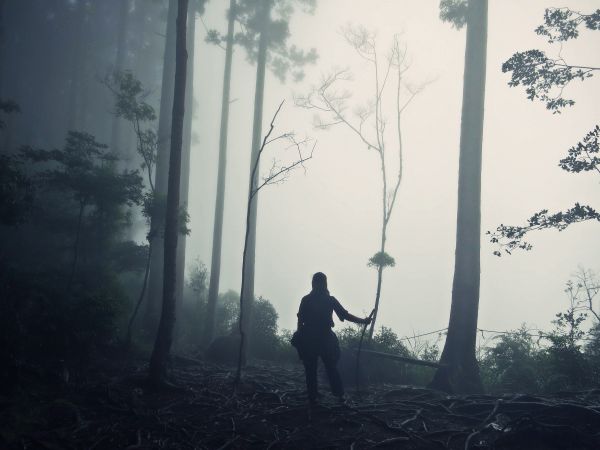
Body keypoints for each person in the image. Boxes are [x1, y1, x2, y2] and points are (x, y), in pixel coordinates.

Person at [295, 272, 371, 404]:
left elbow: (300, 321)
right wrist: (363, 321)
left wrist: (301, 337)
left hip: (311, 338)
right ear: (325, 284)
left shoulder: (306, 299)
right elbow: (345, 315)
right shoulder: (329, 300)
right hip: (324, 338)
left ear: (313, 283)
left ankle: (313, 397)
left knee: (311, 368)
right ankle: (339, 395)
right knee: (330, 367)